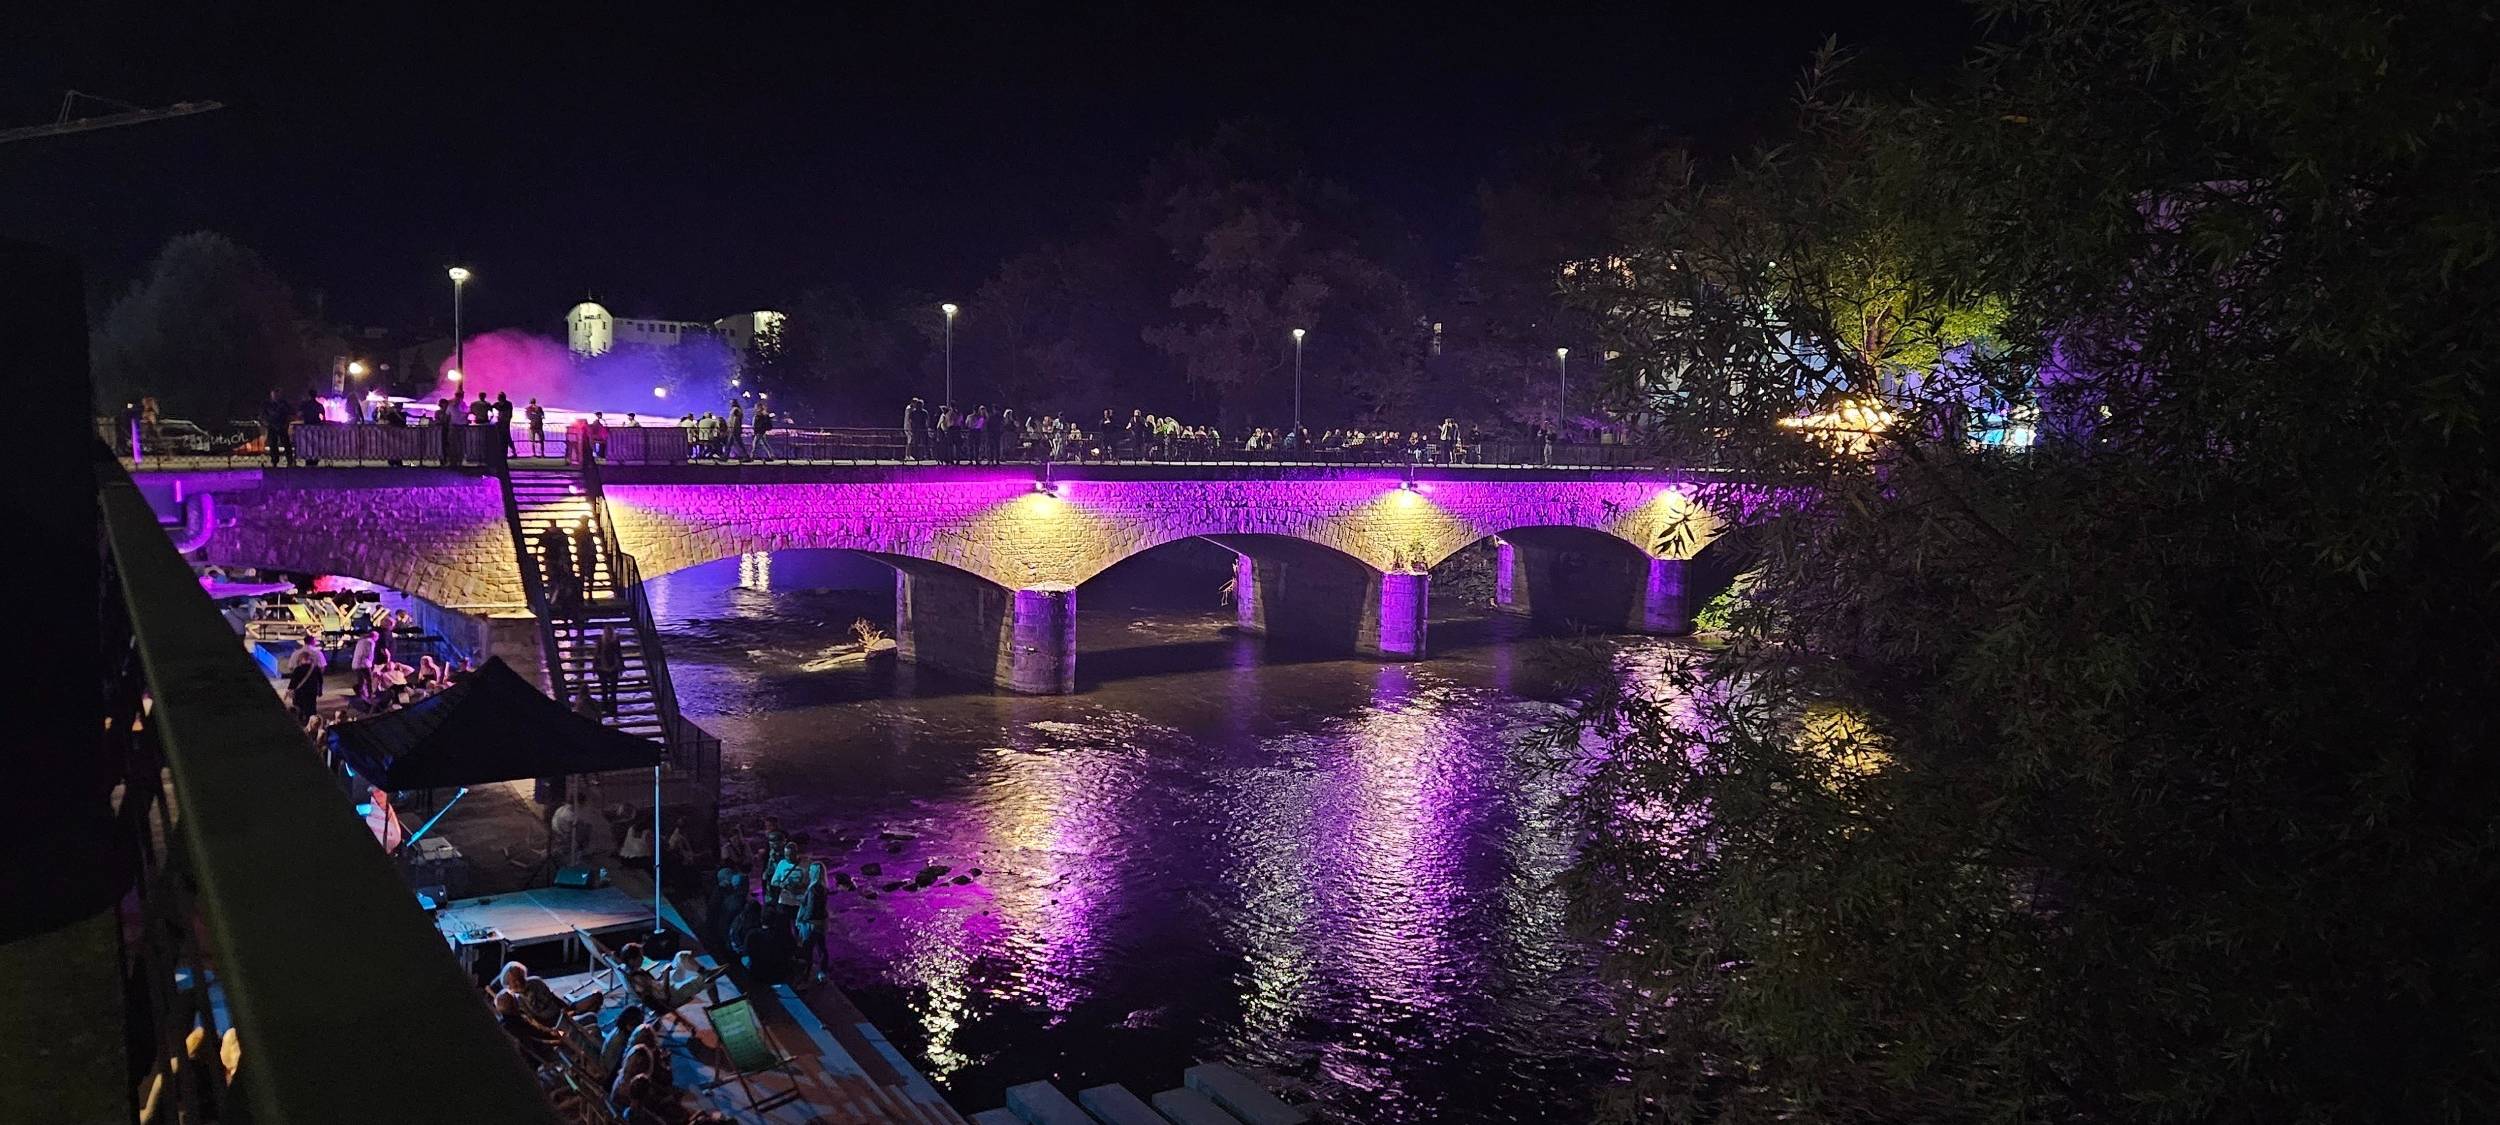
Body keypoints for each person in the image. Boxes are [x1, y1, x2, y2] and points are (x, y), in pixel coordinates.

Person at [794, 861, 828, 984]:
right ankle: (822, 973)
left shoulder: (813, 888)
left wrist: (803, 919)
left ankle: (805, 977)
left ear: (815, 873)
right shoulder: (823, 887)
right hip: (821, 922)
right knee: (821, 948)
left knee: (807, 949)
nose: (808, 872)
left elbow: (810, 907)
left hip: (811, 923)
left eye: (811, 870)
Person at [595, 625, 625, 709]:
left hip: (613, 666)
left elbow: (619, 653)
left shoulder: (615, 641)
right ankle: (605, 705)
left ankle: (612, 706)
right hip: (603, 666)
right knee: (604, 688)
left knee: (613, 689)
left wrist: (621, 665)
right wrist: (595, 666)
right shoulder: (601, 640)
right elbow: (597, 653)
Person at [261, 390, 294, 467]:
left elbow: (289, 413)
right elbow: (263, 415)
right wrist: (267, 423)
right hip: (272, 426)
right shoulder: (267, 404)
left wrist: (286, 423)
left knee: (286, 444)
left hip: (282, 426)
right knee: (273, 444)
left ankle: (289, 460)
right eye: (274, 394)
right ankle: (274, 461)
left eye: (277, 394)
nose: (275, 396)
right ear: (271, 395)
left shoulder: (283, 404)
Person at [572, 517, 601, 605]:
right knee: (582, 578)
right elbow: (580, 542)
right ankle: (581, 597)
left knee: (590, 578)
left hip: (590, 556)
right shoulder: (579, 531)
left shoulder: (587, 531)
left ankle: (589, 596)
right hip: (584, 556)